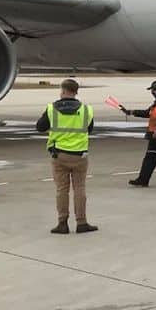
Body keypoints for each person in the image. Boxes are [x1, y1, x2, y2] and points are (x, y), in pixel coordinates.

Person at [35, 79, 97, 234]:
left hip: (59, 155)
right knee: (79, 188)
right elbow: (89, 130)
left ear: (62, 91)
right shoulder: (86, 110)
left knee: (62, 190)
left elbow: (40, 127)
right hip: (79, 156)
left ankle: (62, 223)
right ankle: (81, 222)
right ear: (76, 92)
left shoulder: (51, 109)